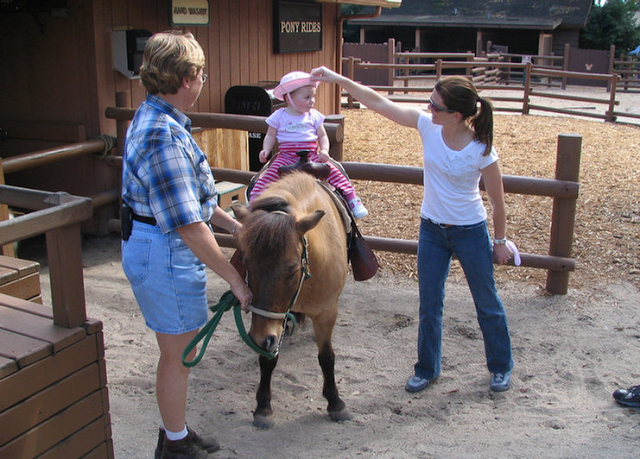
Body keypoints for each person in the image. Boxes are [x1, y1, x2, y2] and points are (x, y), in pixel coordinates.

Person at [310, 66, 515, 393]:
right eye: (429, 103)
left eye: (436, 106)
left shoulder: (482, 150)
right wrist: (338, 79)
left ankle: (501, 366)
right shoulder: (427, 126)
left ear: (456, 114)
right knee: (429, 303)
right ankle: (427, 368)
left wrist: (500, 241)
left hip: (471, 231)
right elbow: (378, 102)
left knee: (486, 301)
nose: (429, 109)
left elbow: (498, 203)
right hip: (432, 230)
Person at [121, 30, 252, 459]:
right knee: (178, 354)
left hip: (159, 243)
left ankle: (174, 433)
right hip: (163, 250)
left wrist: (234, 227)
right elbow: (187, 225)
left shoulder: (160, 120)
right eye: (200, 73)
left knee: (178, 350)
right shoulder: (163, 136)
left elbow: (193, 201)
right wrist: (236, 279)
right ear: (185, 79)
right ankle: (174, 447)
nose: (203, 80)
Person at [249, 71, 368, 218]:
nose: (312, 101)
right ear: (289, 98)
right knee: (266, 178)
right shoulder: (279, 116)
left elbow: (322, 135)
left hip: (312, 156)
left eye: (313, 96)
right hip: (286, 156)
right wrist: (265, 150)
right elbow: (270, 135)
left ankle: (352, 198)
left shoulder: (314, 115)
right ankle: (253, 203)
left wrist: (324, 150)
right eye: (307, 97)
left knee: (335, 173)